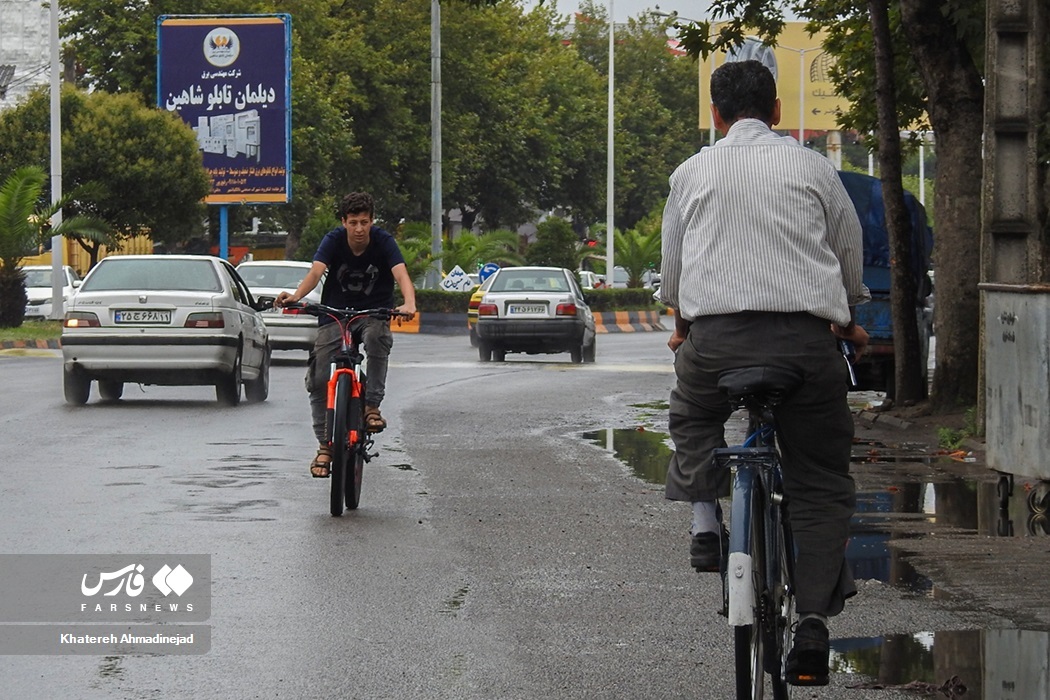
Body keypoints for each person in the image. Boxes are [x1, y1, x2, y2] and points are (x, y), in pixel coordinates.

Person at [658, 60, 870, 687]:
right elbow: (848, 254)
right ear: (777, 112)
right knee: (820, 480)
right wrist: (848, 318)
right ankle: (813, 622)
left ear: (715, 115)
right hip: (805, 345)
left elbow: (673, 274)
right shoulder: (814, 168)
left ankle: (705, 521)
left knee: (693, 415)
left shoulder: (691, 172)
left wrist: (684, 327)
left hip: (715, 343)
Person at [275, 192, 417, 478]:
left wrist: (409, 303)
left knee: (377, 338)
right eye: (353, 222)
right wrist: (297, 296)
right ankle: (324, 446)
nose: (359, 229)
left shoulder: (384, 241)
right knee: (318, 378)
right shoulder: (333, 240)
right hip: (335, 313)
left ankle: (371, 407)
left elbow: (401, 274)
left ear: (372, 221)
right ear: (344, 222)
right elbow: (316, 273)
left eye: (364, 222)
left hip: (373, 312)